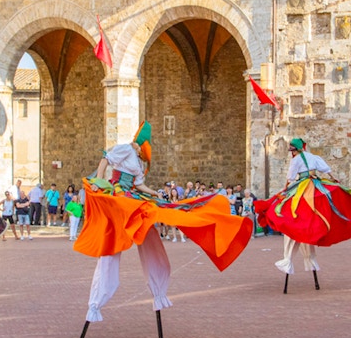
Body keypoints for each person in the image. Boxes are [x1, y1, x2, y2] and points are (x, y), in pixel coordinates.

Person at [74, 121, 252, 327]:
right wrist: (98, 181)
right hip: (117, 192)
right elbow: (106, 159)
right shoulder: (125, 149)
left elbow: (139, 184)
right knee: (116, 238)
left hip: (133, 193)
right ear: (142, 143)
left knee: (154, 215)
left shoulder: (140, 163)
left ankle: (158, 289)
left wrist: (155, 193)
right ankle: (97, 300)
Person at [255, 138, 351, 275]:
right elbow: (325, 167)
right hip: (316, 183)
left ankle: (289, 257)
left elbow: (291, 177)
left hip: (303, 186)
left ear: (297, 150)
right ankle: (309, 255)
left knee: (289, 208)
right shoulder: (312, 156)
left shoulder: (296, 160)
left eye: (292, 150)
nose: (292, 153)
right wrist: (333, 178)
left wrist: (285, 188)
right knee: (318, 205)